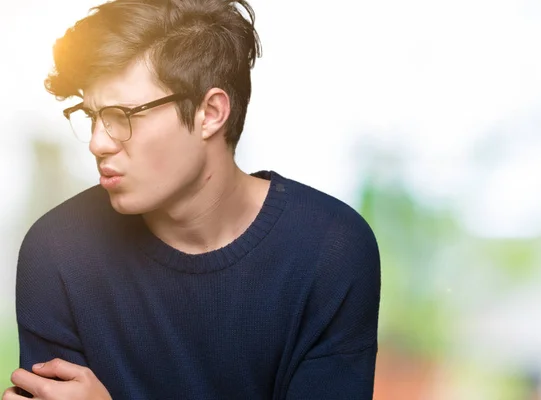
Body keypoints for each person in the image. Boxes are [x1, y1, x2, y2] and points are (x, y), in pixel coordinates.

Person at [3, 0, 381, 398]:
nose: (98, 142)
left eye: (123, 116)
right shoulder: (59, 250)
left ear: (211, 112)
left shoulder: (329, 249)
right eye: (92, 114)